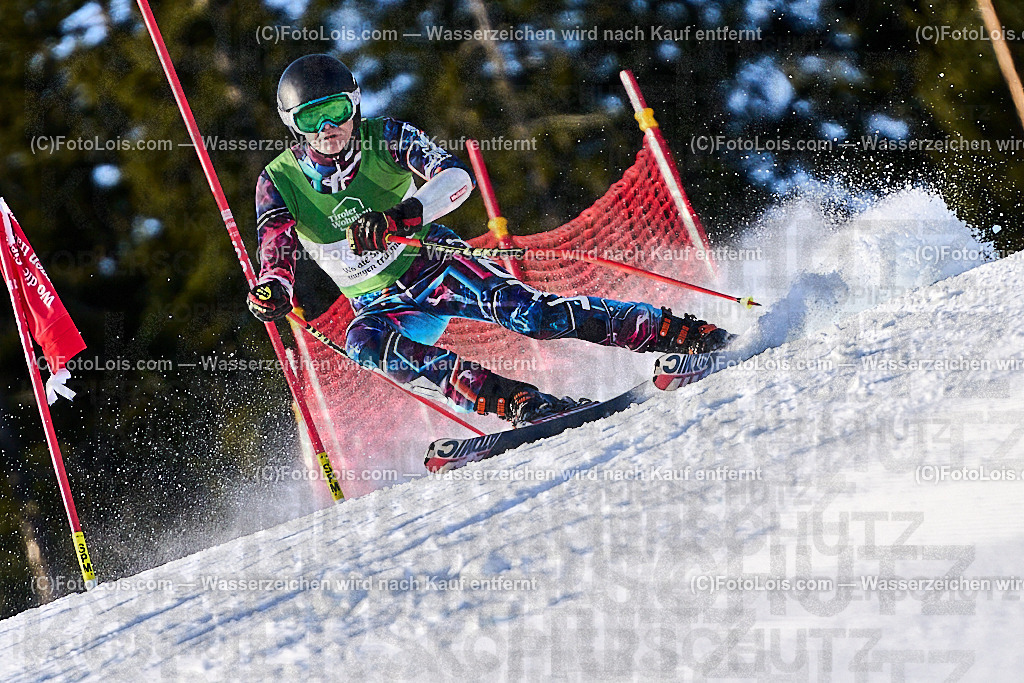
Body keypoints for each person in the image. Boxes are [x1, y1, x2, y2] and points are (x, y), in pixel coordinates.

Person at [248, 54, 733, 425]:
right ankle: (519, 402)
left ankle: (678, 333)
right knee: (363, 342)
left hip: (433, 264)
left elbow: (456, 178)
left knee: (531, 315)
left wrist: (404, 214)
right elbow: (277, 244)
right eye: (313, 119)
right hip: (375, 301)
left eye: (335, 110)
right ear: (293, 124)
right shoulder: (279, 179)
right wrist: (274, 287)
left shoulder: (386, 135)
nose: (329, 128)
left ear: (354, 104)